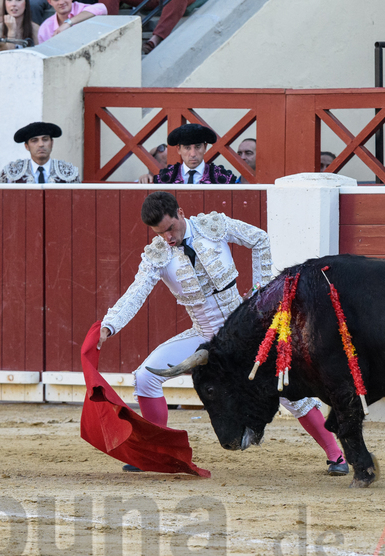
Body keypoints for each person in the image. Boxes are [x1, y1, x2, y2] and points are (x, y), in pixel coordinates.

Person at [96, 191, 348, 476]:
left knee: (287, 388)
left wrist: (261, 291)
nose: (167, 237)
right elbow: (135, 293)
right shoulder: (158, 254)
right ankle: (157, 451)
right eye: (159, 232)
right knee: (146, 376)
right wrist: (109, 325)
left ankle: (336, 454)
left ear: (180, 213)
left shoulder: (212, 227)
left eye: (170, 229)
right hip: (204, 333)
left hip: (245, 331)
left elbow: (259, 239)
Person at [0, 120, 81, 181]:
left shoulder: (68, 172)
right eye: (34, 141)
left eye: (45, 139)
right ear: (27, 146)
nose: (41, 144)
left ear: (52, 143)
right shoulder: (12, 172)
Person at [153, 122, 239, 183]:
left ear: (205, 147)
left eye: (198, 147)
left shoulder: (222, 178)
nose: (193, 154)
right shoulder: (165, 178)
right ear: (178, 149)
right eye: (187, 148)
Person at [36, 0, 106, 43]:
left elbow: (102, 8)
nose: (61, 2)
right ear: (49, 2)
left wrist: (68, 23)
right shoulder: (46, 28)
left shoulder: (82, 9)